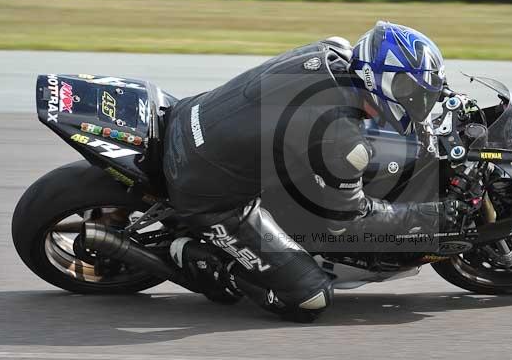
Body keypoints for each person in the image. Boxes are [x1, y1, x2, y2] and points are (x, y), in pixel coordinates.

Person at [162, 21, 463, 321]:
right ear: (381, 79)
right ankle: (201, 262)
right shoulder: (341, 139)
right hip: (209, 193)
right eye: (412, 91)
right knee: (310, 297)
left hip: (194, 114)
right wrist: (424, 215)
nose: (419, 101)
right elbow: (348, 220)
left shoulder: (334, 50)